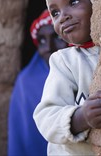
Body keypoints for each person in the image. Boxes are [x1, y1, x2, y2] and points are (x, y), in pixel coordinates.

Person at [33, 0, 101, 155]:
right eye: (55, 13)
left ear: (100, 1)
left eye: (73, 2)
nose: (63, 17)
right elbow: (46, 117)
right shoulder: (64, 62)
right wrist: (81, 118)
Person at [8, 9, 68, 156]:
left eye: (57, 38)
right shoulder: (27, 81)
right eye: (42, 40)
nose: (48, 47)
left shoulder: (84, 73)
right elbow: (19, 137)